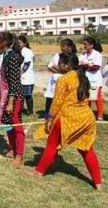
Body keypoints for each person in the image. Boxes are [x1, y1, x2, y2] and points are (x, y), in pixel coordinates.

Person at [26, 54, 102, 190]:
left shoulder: (64, 79)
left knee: (52, 145)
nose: (58, 65)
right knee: (86, 149)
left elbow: (57, 102)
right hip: (86, 119)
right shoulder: (83, 78)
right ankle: (98, 183)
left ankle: (38, 172)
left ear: (67, 65)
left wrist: (50, 118)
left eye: (60, 63)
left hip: (68, 118)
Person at [0, 32, 25, 166]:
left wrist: (10, 102)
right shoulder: (6, 55)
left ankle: (19, 155)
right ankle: (13, 149)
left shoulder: (13, 57)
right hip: (6, 94)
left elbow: (14, 81)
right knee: (8, 124)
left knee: (16, 124)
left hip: (14, 95)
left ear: (4, 42)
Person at [44, 39, 77, 120]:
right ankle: (47, 116)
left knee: (62, 99)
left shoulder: (73, 57)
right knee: (50, 99)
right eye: (61, 46)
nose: (61, 48)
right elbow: (50, 66)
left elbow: (72, 70)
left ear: (69, 47)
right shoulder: (57, 56)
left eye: (63, 46)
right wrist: (60, 70)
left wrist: (59, 69)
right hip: (54, 81)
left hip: (66, 81)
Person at [79, 36, 104, 121]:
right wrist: (88, 65)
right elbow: (79, 65)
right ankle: (89, 115)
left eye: (86, 44)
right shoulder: (82, 54)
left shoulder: (97, 54)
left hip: (95, 80)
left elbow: (96, 67)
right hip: (86, 79)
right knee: (87, 98)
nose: (84, 46)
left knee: (97, 98)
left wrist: (84, 65)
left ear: (91, 45)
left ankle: (100, 116)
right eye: (84, 44)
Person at [17, 35, 35, 116]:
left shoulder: (27, 51)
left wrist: (19, 74)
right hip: (21, 77)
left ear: (24, 43)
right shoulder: (19, 51)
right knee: (20, 96)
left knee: (27, 96)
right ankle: (20, 110)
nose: (19, 44)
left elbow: (26, 65)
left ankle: (30, 111)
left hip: (27, 78)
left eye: (20, 42)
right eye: (18, 43)